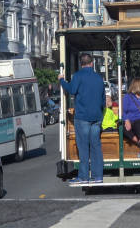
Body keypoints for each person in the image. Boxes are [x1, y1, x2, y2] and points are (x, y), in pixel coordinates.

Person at [59, 53, 106, 183]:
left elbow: (72, 90)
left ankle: (84, 176)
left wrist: (62, 80)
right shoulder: (99, 78)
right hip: (96, 117)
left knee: (84, 147)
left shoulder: (78, 76)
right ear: (92, 63)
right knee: (96, 147)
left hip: (83, 117)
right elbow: (103, 101)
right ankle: (98, 176)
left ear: (81, 64)